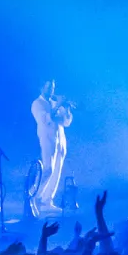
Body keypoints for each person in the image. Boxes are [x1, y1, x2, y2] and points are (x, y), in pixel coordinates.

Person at [31, 79, 73, 214]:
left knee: (57, 172)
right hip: (47, 140)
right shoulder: (37, 104)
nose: (51, 90)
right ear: (41, 87)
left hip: (60, 141)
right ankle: (34, 197)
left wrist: (66, 109)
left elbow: (65, 122)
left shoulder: (54, 103)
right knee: (48, 169)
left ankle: (47, 201)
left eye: (53, 87)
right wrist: (58, 105)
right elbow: (44, 120)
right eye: (48, 87)